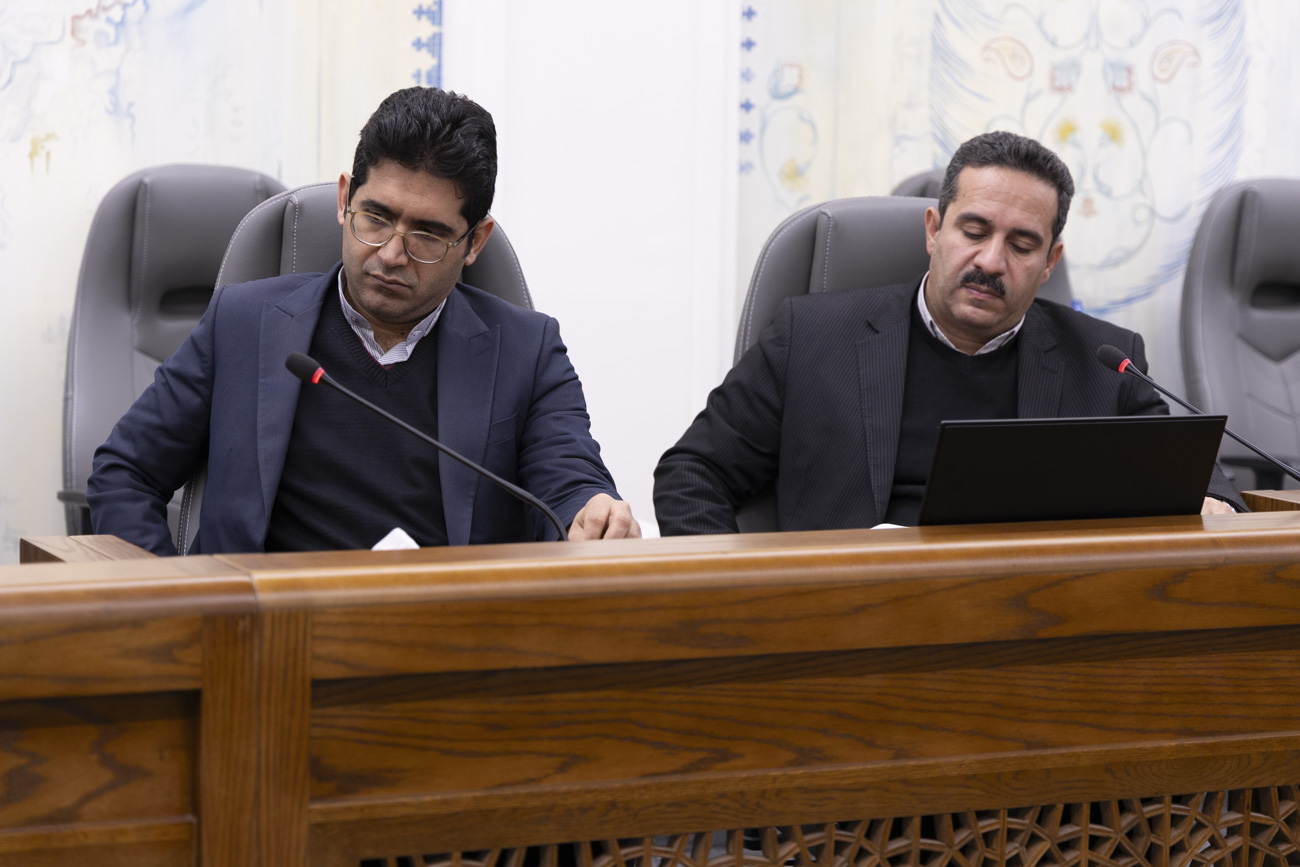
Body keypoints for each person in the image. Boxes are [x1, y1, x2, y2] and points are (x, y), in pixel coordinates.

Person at [89, 86, 639, 554]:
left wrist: (591, 511)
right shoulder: (243, 323)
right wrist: (180, 604)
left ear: (475, 242)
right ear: (344, 199)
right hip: (263, 629)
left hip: (443, 631)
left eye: (428, 234)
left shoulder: (527, 350)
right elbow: (125, 472)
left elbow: (570, 481)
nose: (392, 255)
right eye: (375, 217)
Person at [654, 130, 1242, 535]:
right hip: (844, 626)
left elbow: (1198, 481)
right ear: (934, 230)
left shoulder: (1103, 361)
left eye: (1021, 245)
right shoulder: (810, 336)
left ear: (1050, 263)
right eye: (974, 231)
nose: (991, 261)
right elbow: (693, 473)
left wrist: (1213, 502)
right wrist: (746, 603)